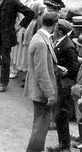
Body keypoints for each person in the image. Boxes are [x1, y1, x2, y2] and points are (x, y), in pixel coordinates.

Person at [0, 0, 34, 92]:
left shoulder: (13, 2)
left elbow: (30, 13)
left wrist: (19, 26)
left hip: (7, 34)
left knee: (5, 59)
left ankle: (4, 83)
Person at [24, 12, 59, 152]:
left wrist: (56, 67)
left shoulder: (40, 37)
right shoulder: (41, 43)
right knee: (40, 125)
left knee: (41, 124)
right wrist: (50, 94)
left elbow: (43, 64)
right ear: (55, 25)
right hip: (41, 91)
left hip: (38, 88)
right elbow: (41, 73)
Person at [47, 19, 79, 152]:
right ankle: (63, 145)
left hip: (64, 86)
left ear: (60, 31)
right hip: (59, 84)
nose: (52, 30)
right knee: (59, 116)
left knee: (61, 116)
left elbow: (73, 69)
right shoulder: (60, 42)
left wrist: (60, 70)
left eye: (55, 28)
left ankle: (65, 146)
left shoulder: (68, 47)